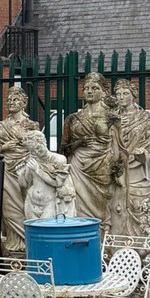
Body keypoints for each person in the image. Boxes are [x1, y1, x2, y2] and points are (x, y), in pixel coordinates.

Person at [0, 87, 40, 252]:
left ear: (24, 103)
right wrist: (3, 148)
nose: (12, 102)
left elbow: (38, 149)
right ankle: (13, 241)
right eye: (9, 100)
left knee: (27, 205)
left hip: (25, 168)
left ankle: (28, 241)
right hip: (6, 169)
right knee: (8, 207)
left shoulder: (31, 125)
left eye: (16, 99)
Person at [61, 72, 114, 225]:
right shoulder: (72, 119)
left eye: (95, 88)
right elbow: (63, 150)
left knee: (102, 205)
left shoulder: (111, 117)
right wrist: (78, 143)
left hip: (102, 165)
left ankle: (102, 239)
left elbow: (119, 146)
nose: (90, 91)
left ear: (104, 92)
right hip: (78, 167)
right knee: (79, 206)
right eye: (86, 88)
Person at [106, 78, 150, 235]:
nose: (121, 97)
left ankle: (140, 247)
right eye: (118, 94)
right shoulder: (111, 118)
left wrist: (145, 156)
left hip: (137, 170)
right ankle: (116, 246)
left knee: (137, 205)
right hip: (115, 169)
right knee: (115, 208)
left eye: (125, 93)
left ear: (133, 95)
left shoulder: (145, 118)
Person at [20, 130, 76, 220]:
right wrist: (21, 173)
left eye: (38, 148)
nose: (37, 152)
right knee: (33, 231)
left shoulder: (59, 159)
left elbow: (58, 183)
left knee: (46, 230)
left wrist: (37, 170)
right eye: (33, 151)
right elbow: (24, 184)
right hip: (31, 201)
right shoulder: (32, 159)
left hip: (50, 202)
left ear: (43, 143)